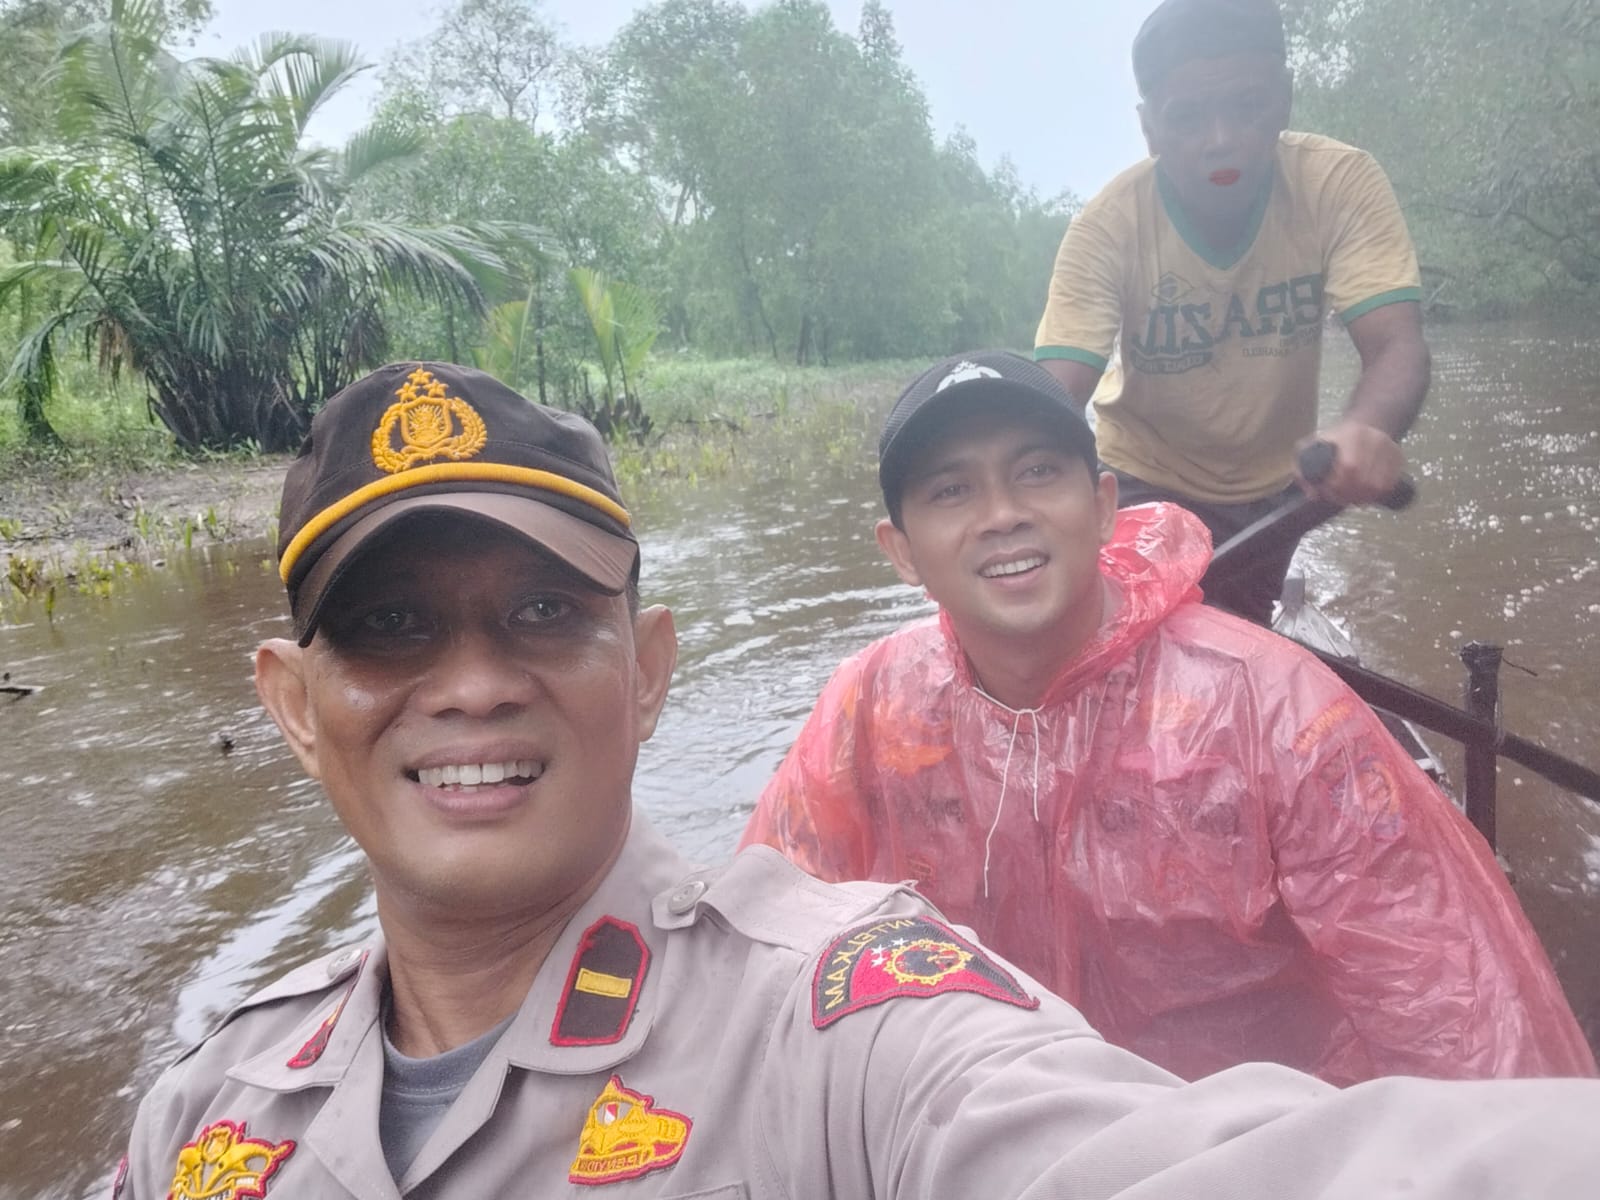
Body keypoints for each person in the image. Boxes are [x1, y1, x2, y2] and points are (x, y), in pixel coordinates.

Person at [115, 361, 1600, 1200]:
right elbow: (745, 902)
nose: (474, 683)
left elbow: (1454, 1011)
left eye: (541, 612)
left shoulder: (1273, 710)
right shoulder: (208, 1103)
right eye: (388, 628)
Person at [741, 350, 1595, 1087]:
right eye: (952, 489)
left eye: (1038, 471)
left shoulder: (1276, 714)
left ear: (1105, 503)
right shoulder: (870, 708)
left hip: (1252, 1156)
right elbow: (760, 951)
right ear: (901, 553)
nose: (1003, 513)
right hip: (980, 1139)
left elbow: (1463, 1022)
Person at [1034, 0, 1431, 624]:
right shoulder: (1107, 227)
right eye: (1186, 117)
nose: (1219, 139)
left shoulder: (1340, 184)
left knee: (1241, 643)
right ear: (1150, 129)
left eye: (1246, 106)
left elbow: (1395, 347)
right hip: (1142, 480)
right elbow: (1052, 396)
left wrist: (1365, 429)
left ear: (1284, 98)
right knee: (1137, 647)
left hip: (1283, 491)